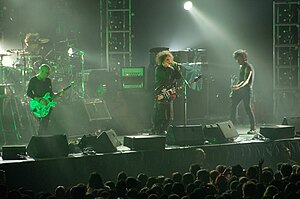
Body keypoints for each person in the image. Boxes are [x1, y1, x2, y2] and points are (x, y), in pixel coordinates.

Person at [152, 50, 181, 135]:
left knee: (169, 116)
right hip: (161, 93)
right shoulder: (159, 69)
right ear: (162, 60)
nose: (169, 61)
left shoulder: (172, 68)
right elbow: (166, 77)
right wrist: (170, 68)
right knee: (161, 113)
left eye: (170, 59)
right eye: (167, 60)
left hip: (170, 93)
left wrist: (176, 68)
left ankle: (165, 129)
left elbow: (178, 77)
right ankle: (157, 129)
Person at [230, 49, 256, 134]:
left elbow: (246, 81)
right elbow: (241, 80)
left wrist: (237, 87)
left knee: (247, 108)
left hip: (246, 90)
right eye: (236, 59)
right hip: (240, 90)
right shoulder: (241, 67)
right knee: (233, 106)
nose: (237, 61)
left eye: (239, 59)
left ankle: (253, 128)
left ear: (244, 58)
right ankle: (232, 126)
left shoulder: (248, 67)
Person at [27, 64, 53, 135]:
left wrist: (59, 94)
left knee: (45, 124)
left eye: (49, 73)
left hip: (47, 105)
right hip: (37, 105)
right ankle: (39, 139)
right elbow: (29, 93)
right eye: (46, 73)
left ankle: (43, 139)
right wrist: (38, 100)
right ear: (41, 71)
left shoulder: (48, 81)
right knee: (40, 124)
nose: (48, 75)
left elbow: (51, 93)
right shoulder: (33, 80)